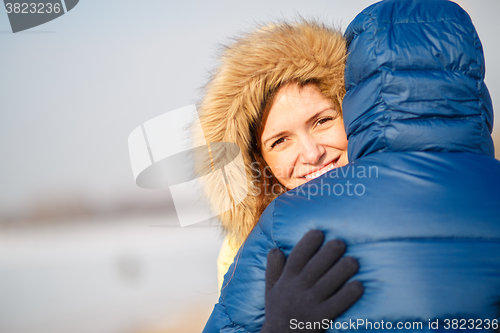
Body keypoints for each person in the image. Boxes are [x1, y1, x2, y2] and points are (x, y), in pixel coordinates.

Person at [202, 0, 500, 331]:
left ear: (356, 113)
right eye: (280, 141)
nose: (312, 153)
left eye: (322, 121)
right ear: (258, 162)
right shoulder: (246, 247)